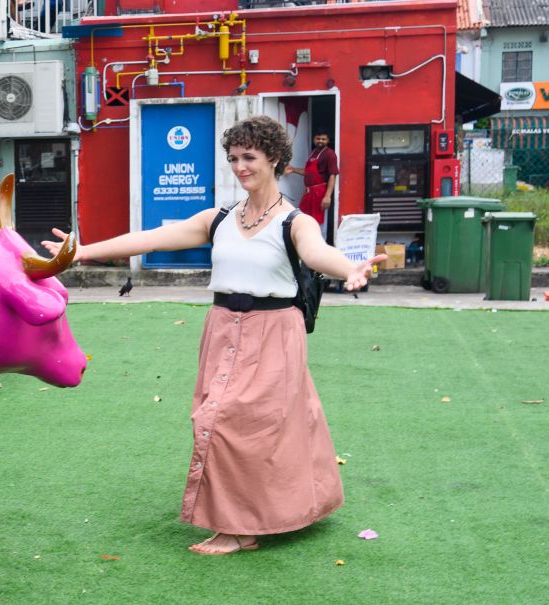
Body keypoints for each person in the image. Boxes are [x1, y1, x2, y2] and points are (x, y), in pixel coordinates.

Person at [42, 116, 384, 555]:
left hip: (274, 329)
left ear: (274, 159)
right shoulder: (219, 218)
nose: (240, 166)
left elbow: (318, 253)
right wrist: (83, 251)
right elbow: (153, 238)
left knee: (242, 424)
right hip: (223, 327)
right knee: (218, 417)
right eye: (234, 158)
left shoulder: (294, 221)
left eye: (250, 157)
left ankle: (241, 528)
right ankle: (277, 508)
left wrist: (349, 268)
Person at [285, 128, 339, 237]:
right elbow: (308, 172)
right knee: (304, 218)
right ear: (314, 139)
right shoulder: (313, 152)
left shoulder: (330, 154)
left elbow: (332, 175)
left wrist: (327, 196)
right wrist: (293, 169)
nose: (320, 141)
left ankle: (320, 247)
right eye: (318, 138)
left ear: (328, 140)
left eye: (323, 139)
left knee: (319, 222)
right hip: (309, 193)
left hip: (320, 193)